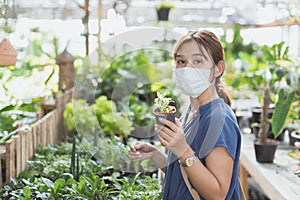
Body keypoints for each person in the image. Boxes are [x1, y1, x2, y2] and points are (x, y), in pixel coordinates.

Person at [128, 30, 242, 200]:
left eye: (197, 61)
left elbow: (218, 194)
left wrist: (183, 150)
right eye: (181, 61)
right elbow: (186, 174)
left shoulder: (219, 119)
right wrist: (155, 155)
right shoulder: (191, 112)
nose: (187, 68)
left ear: (218, 69)